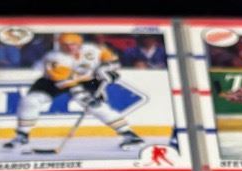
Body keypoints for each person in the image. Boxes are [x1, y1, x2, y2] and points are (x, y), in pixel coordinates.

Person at [8, 34, 145, 154]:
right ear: (60, 45)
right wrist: (86, 93)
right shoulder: (55, 57)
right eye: (65, 45)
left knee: (96, 107)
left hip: (85, 81)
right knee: (30, 101)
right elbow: (64, 81)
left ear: (80, 43)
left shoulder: (94, 49)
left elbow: (113, 61)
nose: (69, 47)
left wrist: (106, 69)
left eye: (73, 44)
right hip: (53, 83)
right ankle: (22, 136)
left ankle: (130, 135)